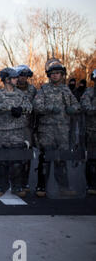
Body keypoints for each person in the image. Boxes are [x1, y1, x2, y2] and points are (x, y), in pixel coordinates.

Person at [33, 58, 80, 197]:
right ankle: (41, 187)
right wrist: (49, 108)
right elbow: (37, 106)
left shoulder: (66, 90)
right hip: (47, 131)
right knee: (45, 159)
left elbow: (77, 106)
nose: (55, 75)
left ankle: (63, 187)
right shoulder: (44, 90)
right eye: (52, 73)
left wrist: (73, 109)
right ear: (48, 75)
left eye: (58, 73)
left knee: (61, 159)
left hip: (63, 131)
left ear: (62, 75)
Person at [0, 68, 32, 197]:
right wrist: (9, 108)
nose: (16, 80)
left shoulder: (20, 94)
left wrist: (21, 109)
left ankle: (17, 187)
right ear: (7, 80)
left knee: (17, 161)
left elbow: (30, 107)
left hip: (17, 132)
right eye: (14, 78)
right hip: (2, 133)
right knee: (2, 161)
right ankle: (1, 186)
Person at [15, 64, 37, 192]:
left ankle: (24, 182)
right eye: (20, 75)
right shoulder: (10, 89)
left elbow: (37, 107)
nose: (23, 78)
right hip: (11, 128)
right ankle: (11, 181)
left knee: (26, 155)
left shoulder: (33, 90)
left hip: (27, 127)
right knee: (12, 155)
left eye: (25, 75)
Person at [80, 69, 96, 195]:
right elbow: (86, 107)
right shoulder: (89, 92)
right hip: (92, 131)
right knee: (92, 159)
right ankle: (91, 185)